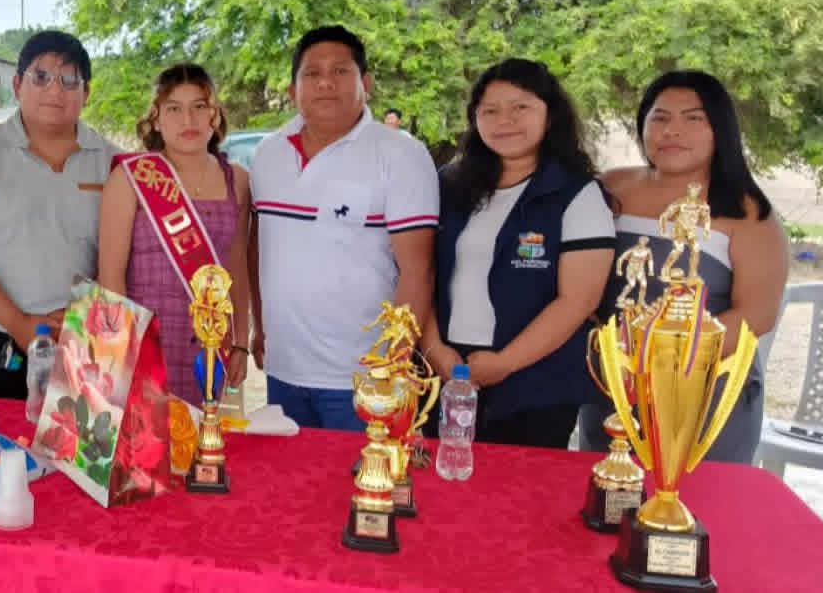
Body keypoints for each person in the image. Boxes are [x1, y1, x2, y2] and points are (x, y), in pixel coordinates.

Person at [578, 70, 788, 464]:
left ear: (720, 130)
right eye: (659, 118)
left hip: (701, 390)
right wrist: (619, 357)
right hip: (615, 384)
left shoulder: (748, 213)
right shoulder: (610, 189)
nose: (672, 130)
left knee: (694, 497)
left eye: (693, 119)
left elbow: (757, 315)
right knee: (606, 489)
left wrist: (661, 357)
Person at [248, 25, 439, 430]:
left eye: (340, 71)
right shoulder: (267, 153)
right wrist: (261, 328)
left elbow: (418, 269)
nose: (325, 83)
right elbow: (259, 248)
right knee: (289, 472)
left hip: (364, 379)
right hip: (283, 370)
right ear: (293, 90)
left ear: (365, 84)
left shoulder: (400, 154)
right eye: (312, 73)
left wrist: (393, 369)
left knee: (364, 473)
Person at [419, 58, 616, 449]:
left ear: (550, 114)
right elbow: (420, 271)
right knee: (444, 477)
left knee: (521, 483)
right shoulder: (448, 185)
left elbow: (578, 300)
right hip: (446, 370)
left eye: (520, 107)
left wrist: (504, 362)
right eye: (489, 110)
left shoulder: (577, 193)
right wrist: (434, 348)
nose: (503, 120)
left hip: (535, 382)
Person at [0, 30, 119, 399]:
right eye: (41, 77)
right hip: (0, 335)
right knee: (4, 434)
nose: (55, 91)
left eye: (69, 80)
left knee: (84, 436)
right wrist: (18, 323)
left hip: (88, 337)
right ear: (17, 85)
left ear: (86, 93)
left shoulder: (113, 162)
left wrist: (83, 319)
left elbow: (124, 253)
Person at [98, 63, 250, 405]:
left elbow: (236, 266)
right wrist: (125, 356)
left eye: (199, 107)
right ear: (156, 119)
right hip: (144, 344)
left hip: (210, 348)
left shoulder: (237, 180)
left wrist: (241, 341)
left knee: (205, 436)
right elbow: (111, 278)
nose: (188, 120)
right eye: (174, 109)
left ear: (215, 115)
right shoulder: (131, 178)